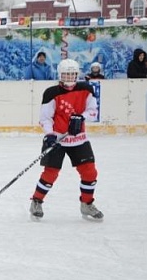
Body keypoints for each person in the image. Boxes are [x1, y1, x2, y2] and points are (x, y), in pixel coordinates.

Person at [29, 59, 103, 221]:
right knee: (51, 173)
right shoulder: (51, 93)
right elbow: (45, 118)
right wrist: (49, 134)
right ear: (60, 75)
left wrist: (80, 117)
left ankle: (86, 204)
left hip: (79, 139)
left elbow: (93, 112)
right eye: (66, 74)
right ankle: (36, 201)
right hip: (57, 139)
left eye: (72, 74)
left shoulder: (86, 89)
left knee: (90, 172)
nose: (69, 77)